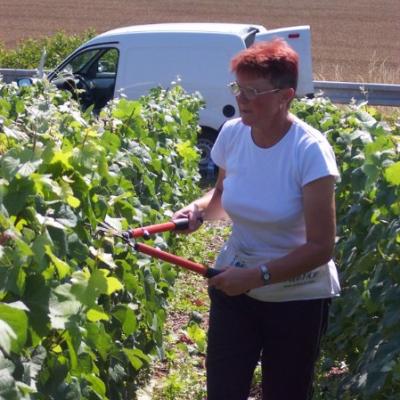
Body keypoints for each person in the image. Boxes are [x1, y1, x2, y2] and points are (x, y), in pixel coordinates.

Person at [173, 38, 340, 400]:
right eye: (239, 88)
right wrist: (198, 211)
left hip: (297, 296)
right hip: (235, 283)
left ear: (286, 95)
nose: (242, 99)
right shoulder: (233, 134)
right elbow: (221, 199)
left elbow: (321, 246)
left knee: (285, 391)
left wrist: (257, 277)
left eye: (253, 91)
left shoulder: (309, 151)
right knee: (224, 389)